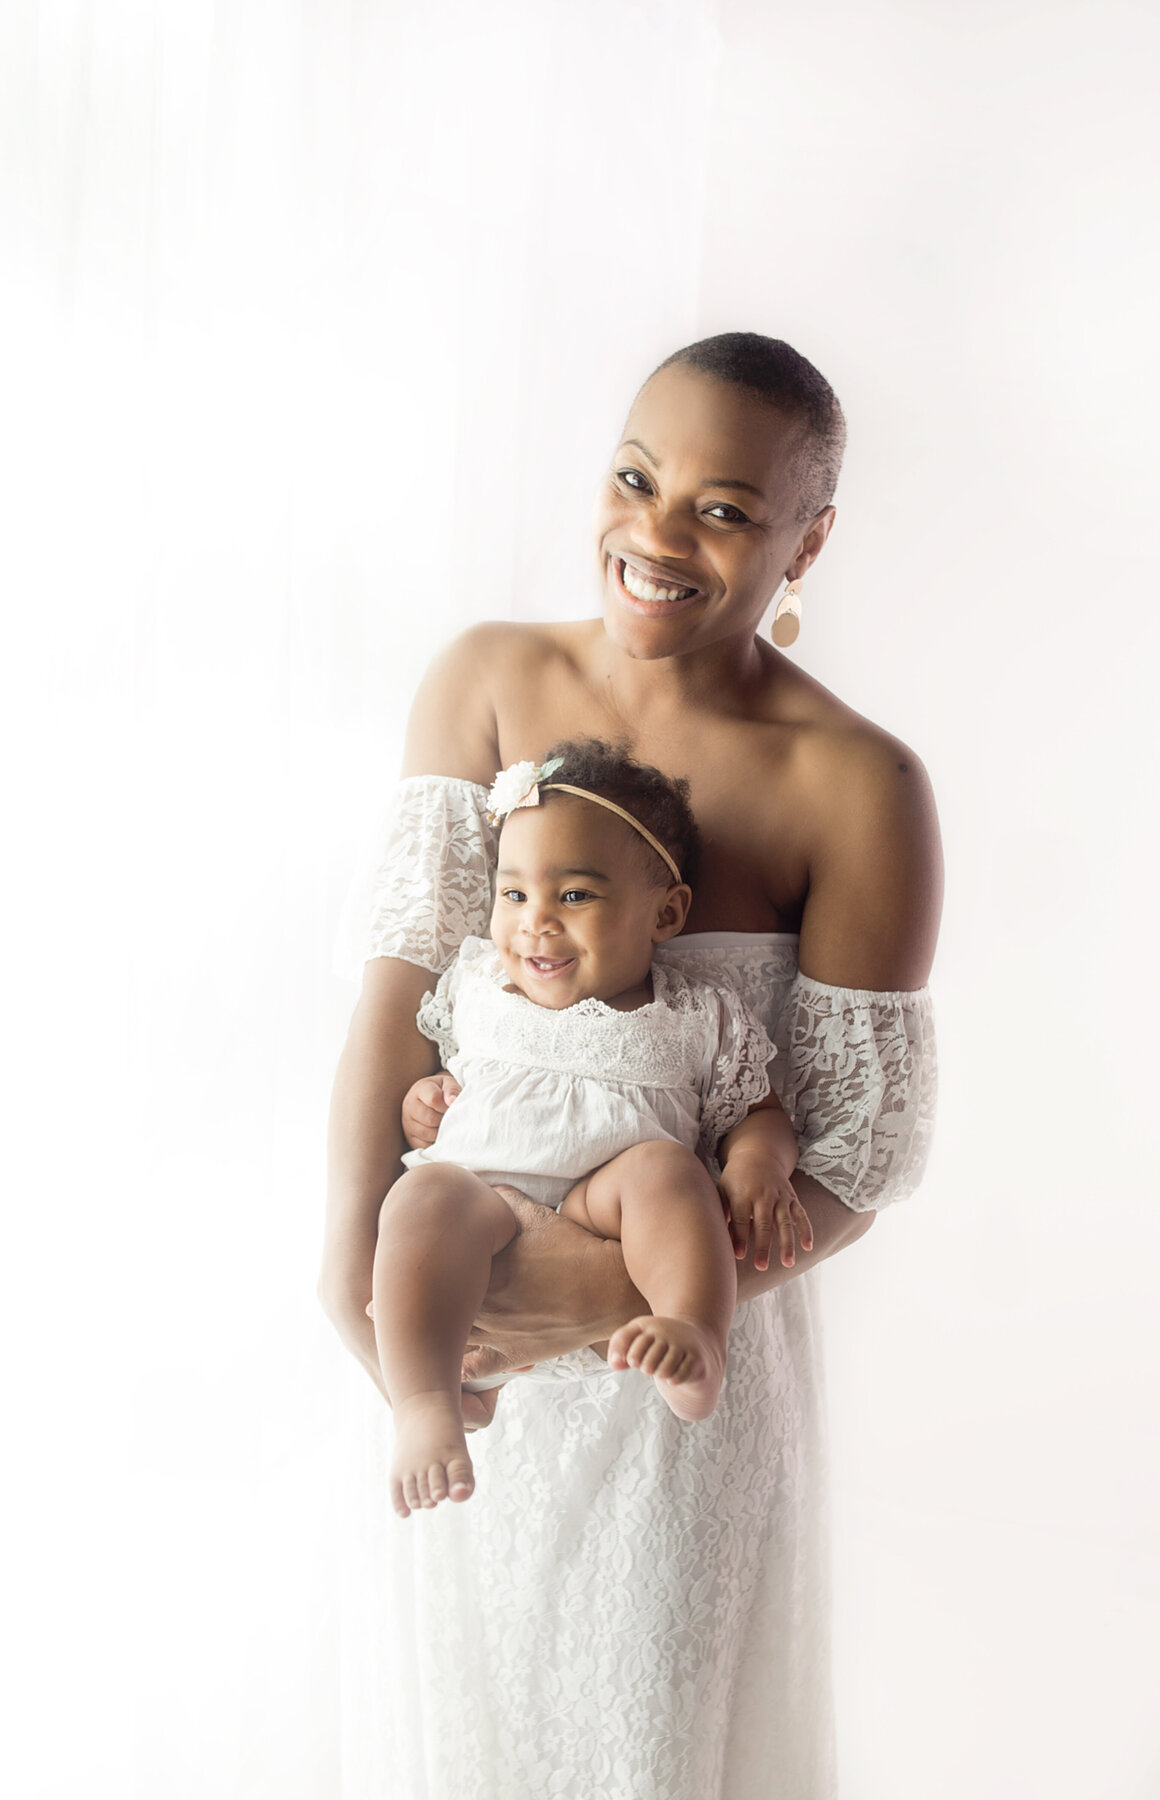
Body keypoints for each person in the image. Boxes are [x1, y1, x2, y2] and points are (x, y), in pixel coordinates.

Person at [320, 330, 942, 1800]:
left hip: (687, 1369)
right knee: (452, 1740)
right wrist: (349, 1274)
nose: (657, 537)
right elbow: (400, 1002)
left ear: (811, 538)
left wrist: (602, 1302)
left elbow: (853, 1152)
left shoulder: (860, 787)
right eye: (635, 479)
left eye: (725, 509)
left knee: (645, 1741)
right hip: (449, 1344)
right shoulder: (485, 681)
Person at [373, 737, 810, 1517]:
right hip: (483, 1210)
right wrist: (427, 1103)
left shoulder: (694, 1017)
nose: (535, 923)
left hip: (600, 1212)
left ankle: (695, 1339)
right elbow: (440, 1088)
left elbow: (759, 1112)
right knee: (421, 1198)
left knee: (669, 1176)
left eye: (573, 897)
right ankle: (425, 1402)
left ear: (666, 913)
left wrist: (756, 1166)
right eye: (514, 896)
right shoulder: (479, 988)